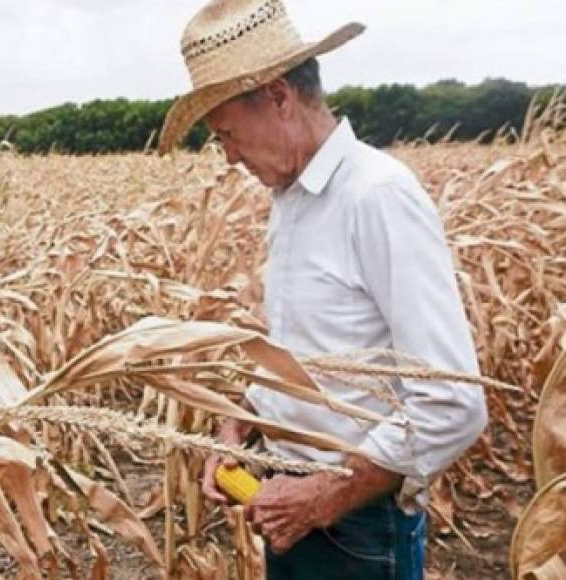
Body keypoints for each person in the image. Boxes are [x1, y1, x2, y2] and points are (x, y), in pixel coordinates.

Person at [158, 1, 488, 578]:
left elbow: (453, 401)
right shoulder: (293, 199)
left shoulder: (376, 196)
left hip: (358, 528)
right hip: (296, 510)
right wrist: (240, 422)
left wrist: (325, 495)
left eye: (228, 135)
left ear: (279, 96)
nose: (229, 156)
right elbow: (306, 350)